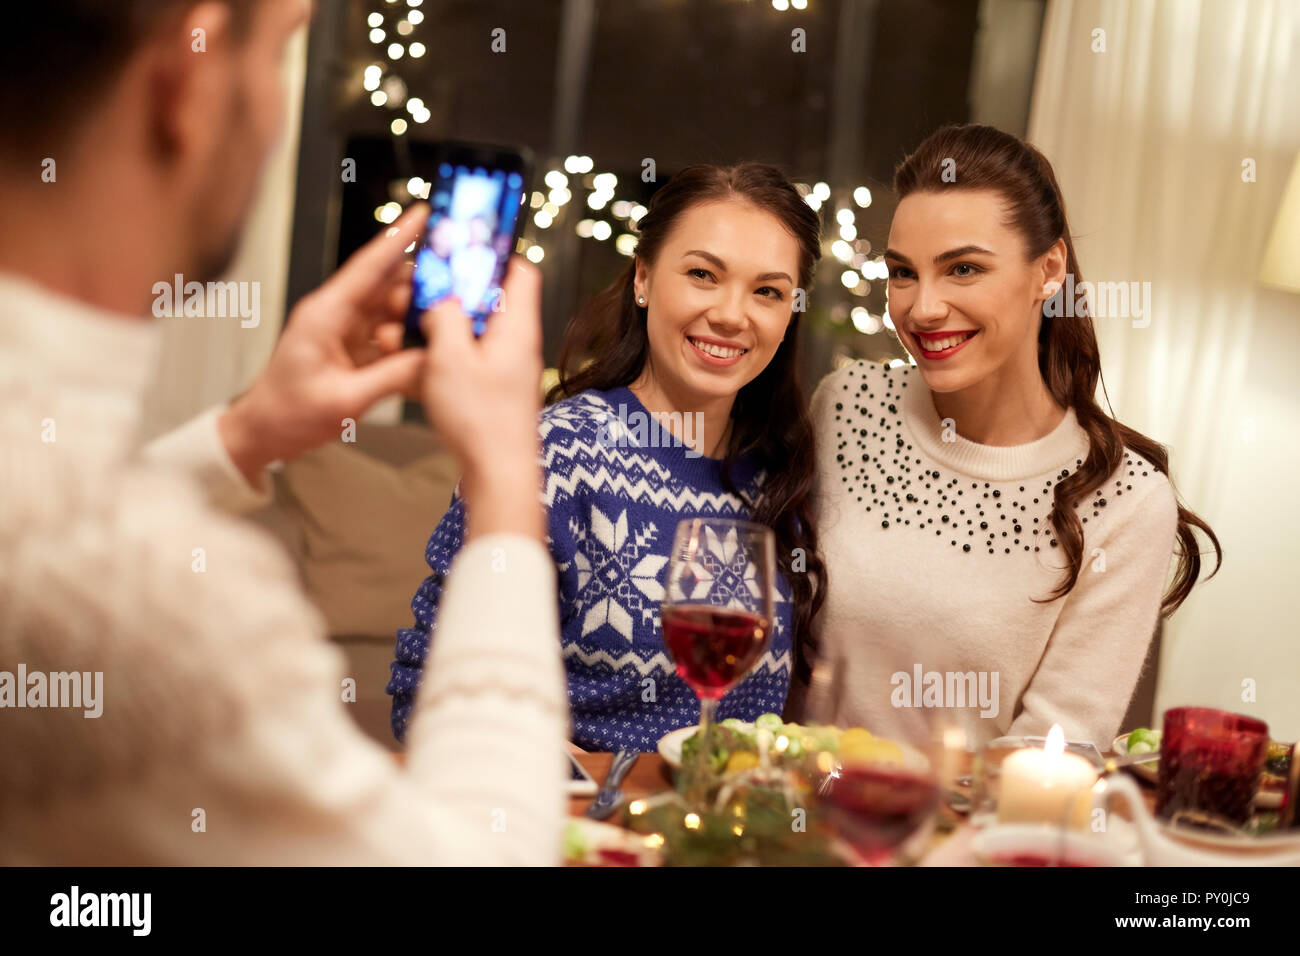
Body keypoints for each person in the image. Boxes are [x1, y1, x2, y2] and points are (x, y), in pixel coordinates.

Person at [0, 0, 567, 864]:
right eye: (277, 55)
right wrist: (502, 477)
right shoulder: (145, 604)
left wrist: (248, 431)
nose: (273, 113)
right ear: (186, 78)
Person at [806, 124, 1222, 750]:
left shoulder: (1126, 500)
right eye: (902, 273)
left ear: (1048, 270)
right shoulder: (845, 405)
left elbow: (1055, 748)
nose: (922, 309)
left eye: (963, 269)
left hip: (956, 837)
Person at [390, 164, 828, 752]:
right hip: (576, 829)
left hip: (724, 832)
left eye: (767, 291)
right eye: (702, 274)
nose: (731, 313)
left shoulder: (783, 474)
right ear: (643, 279)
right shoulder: (555, 454)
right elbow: (426, 692)